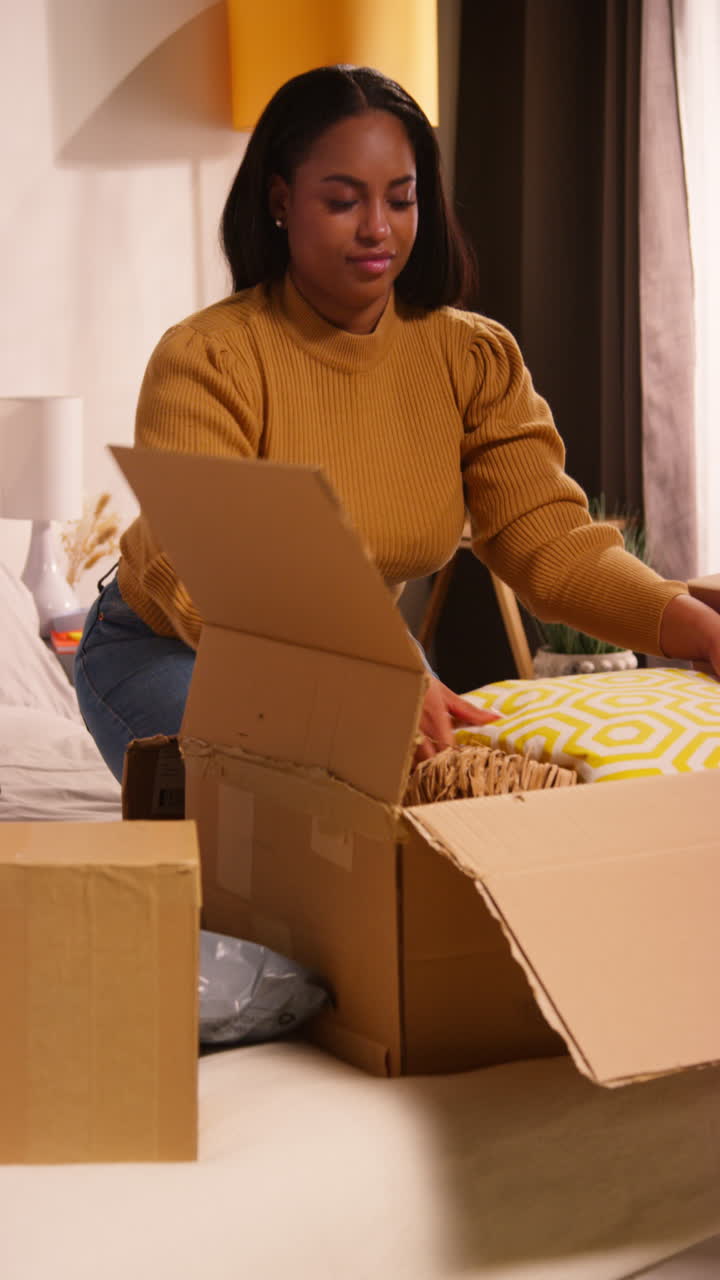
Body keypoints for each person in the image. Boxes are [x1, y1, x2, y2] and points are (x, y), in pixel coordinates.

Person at [75, 64, 720, 784]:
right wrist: (370, 674)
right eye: (344, 201)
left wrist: (689, 623)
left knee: (442, 807)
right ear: (281, 200)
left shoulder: (471, 356)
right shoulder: (209, 357)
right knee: (291, 801)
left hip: (366, 656)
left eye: (402, 199)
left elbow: (551, 541)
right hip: (170, 648)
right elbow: (198, 572)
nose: (378, 228)